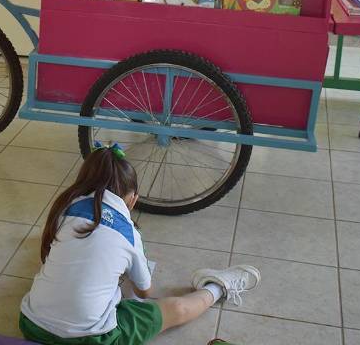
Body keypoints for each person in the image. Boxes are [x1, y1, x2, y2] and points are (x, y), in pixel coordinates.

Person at [19, 144, 260, 345]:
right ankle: (218, 288)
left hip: (31, 324)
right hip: (93, 340)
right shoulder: (129, 234)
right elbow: (146, 292)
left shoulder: (65, 207)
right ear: (133, 199)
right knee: (175, 309)